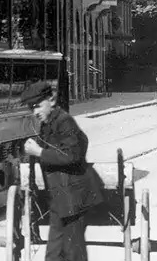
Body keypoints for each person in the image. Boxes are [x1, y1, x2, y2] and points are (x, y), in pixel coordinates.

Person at [20, 80, 105, 261]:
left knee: (73, 254)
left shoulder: (64, 121)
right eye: (31, 108)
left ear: (51, 100)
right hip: (61, 201)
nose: (35, 112)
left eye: (37, 106)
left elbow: (72, 155)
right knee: (53, 255)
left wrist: (39, 152)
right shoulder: (49, 123)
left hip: (74, 200)